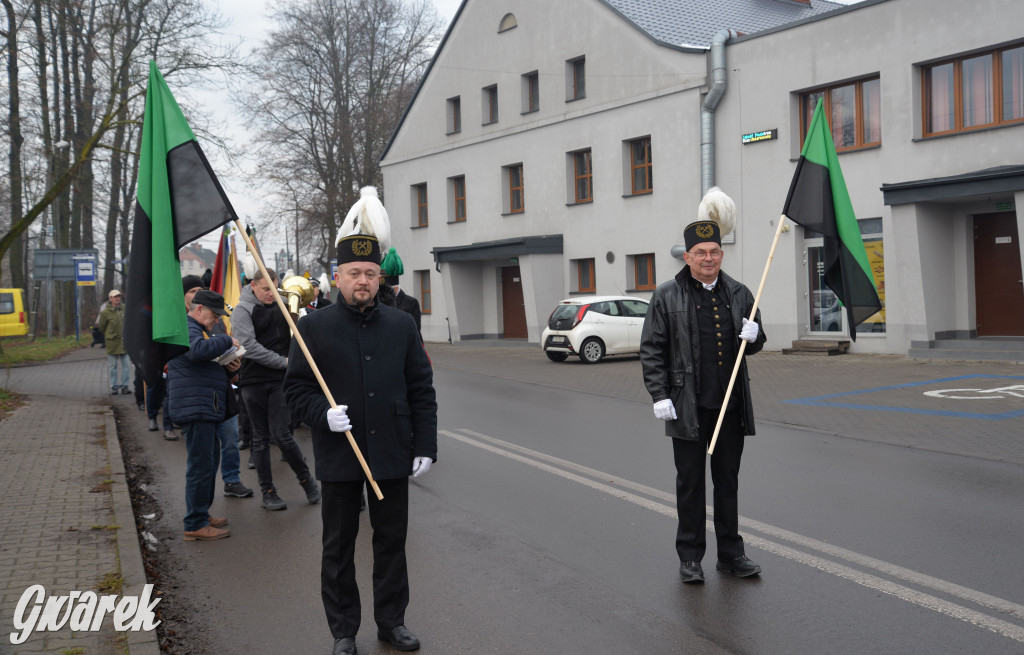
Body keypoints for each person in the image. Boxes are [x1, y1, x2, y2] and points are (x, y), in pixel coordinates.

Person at [283, 186, 437, 655]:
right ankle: (343, 631)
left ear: (380, 277)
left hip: (391, 451)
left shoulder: (402, 326)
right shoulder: (312, 329)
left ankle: (391, 622)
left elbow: (421, 390)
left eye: (370, 273)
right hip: (340, 457)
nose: (362, 281)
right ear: (337, 277)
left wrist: (425, 446)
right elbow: (295, 390)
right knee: (339, 548)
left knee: (392, 542)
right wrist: (320, 415)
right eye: (354, 273)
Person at [639, 190, 767, 585]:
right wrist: (659, 394)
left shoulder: (741, 293)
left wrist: (756, 332)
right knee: (690, 485)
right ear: (687, 257)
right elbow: (652, 349)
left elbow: (756, 343)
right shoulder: (666, 295)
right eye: (701, 253)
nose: (708, 258)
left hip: (729, 407)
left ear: (721, 255)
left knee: (727, 483)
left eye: (714, 251)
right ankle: (690, 557)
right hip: (687, 407)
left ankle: (731, 554)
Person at [233, 267, 320, 510]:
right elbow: (248, 345)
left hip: (281, 380)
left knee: (282, 433)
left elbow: (300, 335)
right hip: (253, 380)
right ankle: (268, 492)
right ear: (253, 286)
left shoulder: (284, 305)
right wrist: (283, 362)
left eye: (273, 289)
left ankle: (307, 481)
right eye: (265, 290)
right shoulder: (243, 310)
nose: (270, 295)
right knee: (260, 438)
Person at [165, 290, 240, 541]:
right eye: (214, 315)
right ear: (199, 310)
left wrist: (229, 368)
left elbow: (201, 364)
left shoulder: (198, 329)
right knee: (200, 466)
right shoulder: (188, 327)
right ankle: (194, 522)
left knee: (208, 464)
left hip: (204, 406)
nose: (216, 320)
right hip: (195, 408)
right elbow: (197, 351)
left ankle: (201, 513)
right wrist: (227, 340)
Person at [380, 247, 422, 341]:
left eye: (386, 290)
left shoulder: (411, 303)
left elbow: (415, 330)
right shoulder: (379, 302)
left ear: (395, 288)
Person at [98, 290, 131, 395]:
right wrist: (109, 335)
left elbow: (129, 322)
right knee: (113, 367)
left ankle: (125, 386)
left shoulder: (125, 309)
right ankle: (114, 387)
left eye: (118, 296)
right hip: (112, 343)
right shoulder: (105, 312)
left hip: (124, 342)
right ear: (110, 298)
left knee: (126, 365)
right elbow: (101, 327)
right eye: (115, 297)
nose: (117, 298)